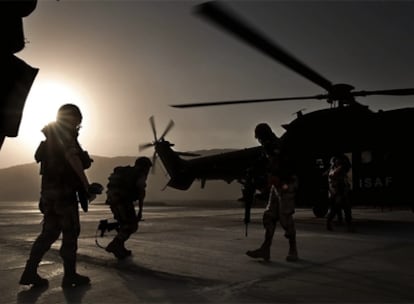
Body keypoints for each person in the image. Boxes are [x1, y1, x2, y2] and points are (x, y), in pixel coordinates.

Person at [19, 103, 102, 288]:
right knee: (70, 233)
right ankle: (70, 276)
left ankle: (30, 272)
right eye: (77, 119)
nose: (78, 124)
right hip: (64, 194)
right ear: (73, 118)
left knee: (48, 234)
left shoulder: (50, 138)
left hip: (49, 194)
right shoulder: (65, 134)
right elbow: (72, 157)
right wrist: (86, 185)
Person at [246, 123, 299, 262]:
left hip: (287, 184)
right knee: (269, 216)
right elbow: (267, 165)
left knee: (286, 218)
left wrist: (275, 174)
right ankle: (265, 249)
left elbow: (285, 166)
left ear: (265, 136)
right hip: (277, 186)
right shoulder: (269, 149)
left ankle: (293, 250)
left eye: (260, 138)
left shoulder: (279, 146)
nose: (260, 141)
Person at [105, 156, 152, 259]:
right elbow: (141, 193)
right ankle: (115, 244)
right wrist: (140, 211)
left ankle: (120, 249)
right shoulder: (140, 174)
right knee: (131, 226)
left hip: (113, 201)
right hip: (123, 202)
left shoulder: (126, 172)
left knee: (123, 225)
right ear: (145, 167)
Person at [326, 153, 354, 232]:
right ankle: (328, 223)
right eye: (338, 162)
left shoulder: (342, 172)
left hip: (342, 192)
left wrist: (347, 188)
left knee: (347, 210)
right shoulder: (333, 171)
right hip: (336, 193)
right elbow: (332, 178)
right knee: (334, 210)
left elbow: (345, 181)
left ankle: (349, 226)